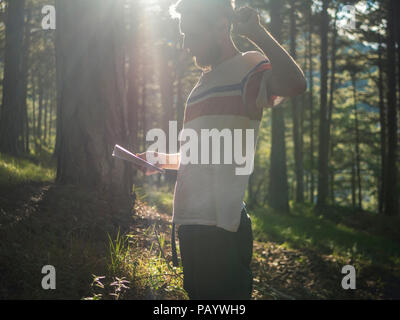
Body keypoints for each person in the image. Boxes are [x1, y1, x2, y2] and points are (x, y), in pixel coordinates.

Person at [136, 0, 306, 300]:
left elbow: (295, 83)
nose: (186, 44)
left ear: (219, 28)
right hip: (190, 225)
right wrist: (159, 160)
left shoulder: (248, 69)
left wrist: (257, 32)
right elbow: (196, 158)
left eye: (191, 34)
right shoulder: (200, 86)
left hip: (220, 228)